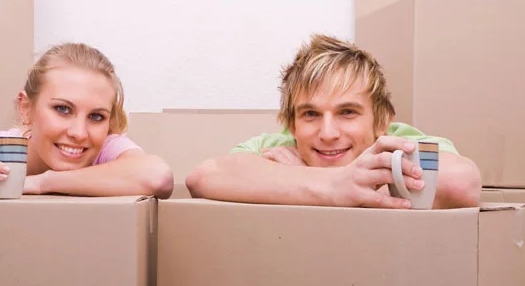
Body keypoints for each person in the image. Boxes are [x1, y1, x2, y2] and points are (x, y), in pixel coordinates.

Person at [186, 34, 481, 209]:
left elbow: (462, 184)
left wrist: (303, 184)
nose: (327, 133)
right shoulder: (276, 147)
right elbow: (203, 177)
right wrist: (330, 185)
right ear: (291, 125)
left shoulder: (401, 144)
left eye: (348, 112)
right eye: (310, 114)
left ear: (382, 122)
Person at [0, 43, 174, 199]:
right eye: (62, 109)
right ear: (26, 108)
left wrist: (41, 182)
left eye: (96, 116)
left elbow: (158, 177)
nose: (80, 133)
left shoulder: (107, 148)